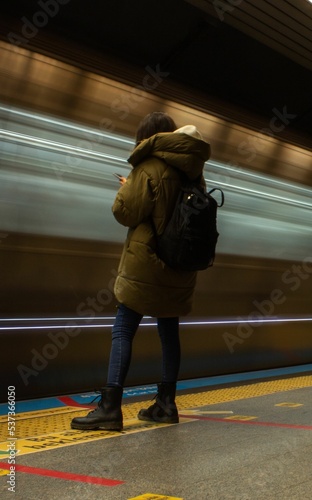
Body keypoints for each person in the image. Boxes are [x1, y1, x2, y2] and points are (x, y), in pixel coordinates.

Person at [71, 111, 211, 431]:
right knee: (168, 333)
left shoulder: (148, 166)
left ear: (147, 139)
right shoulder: (194, 171)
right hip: (179, 266)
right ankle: (166, 404)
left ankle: (110, 407)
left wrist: (128, 186)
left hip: (146, 264)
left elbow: (125, 211)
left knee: (123, 328)